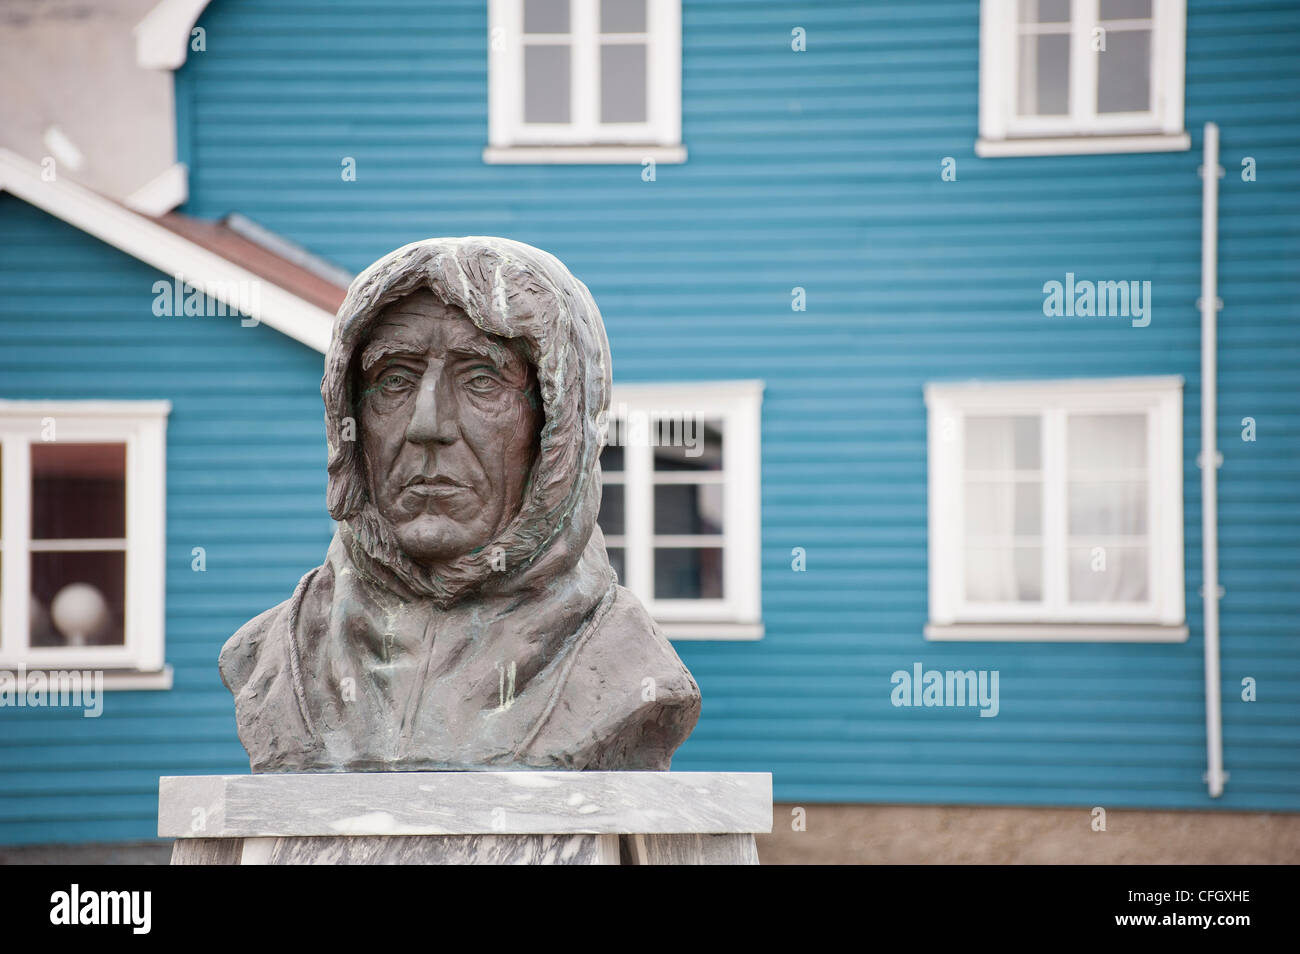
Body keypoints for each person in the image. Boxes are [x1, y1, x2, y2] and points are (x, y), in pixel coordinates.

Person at [219, 237, 701, 773]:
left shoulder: (626, 667)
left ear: (556, 426)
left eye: (481, 380)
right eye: (394, 380)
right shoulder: (269, 658)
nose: (428, 425)